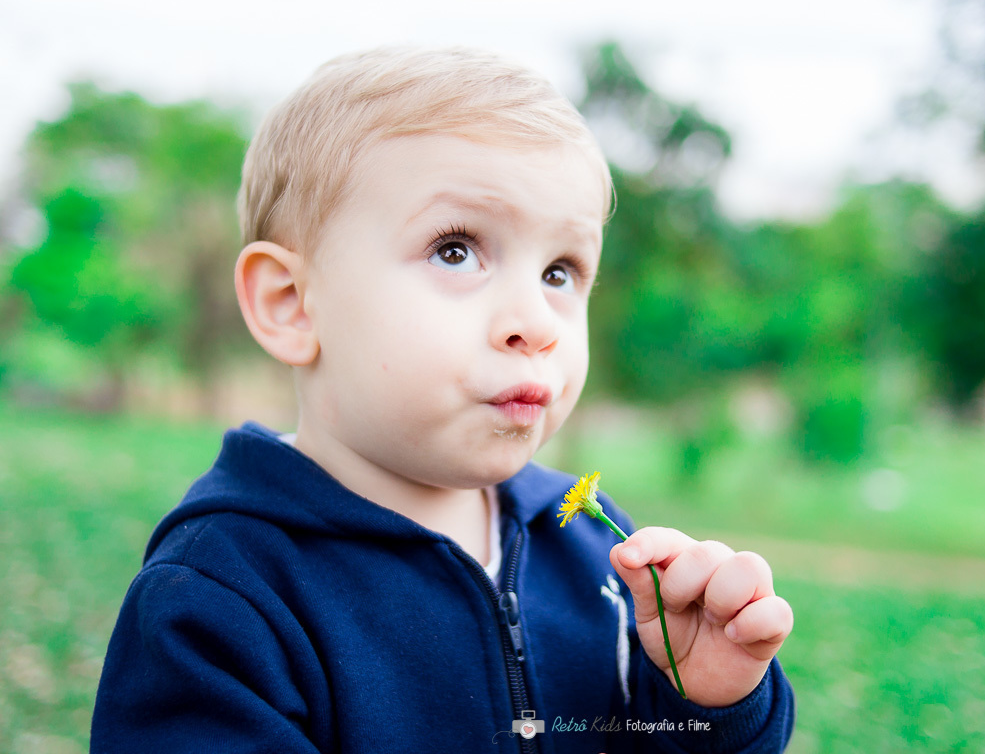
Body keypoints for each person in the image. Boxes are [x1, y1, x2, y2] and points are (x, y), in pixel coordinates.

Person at [90, 46, 795, 753]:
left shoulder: (592, 547)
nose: (537, 323)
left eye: (560, 271)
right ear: (293, 305)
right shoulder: (222, 596)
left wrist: (702, 705)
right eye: (456, 250)